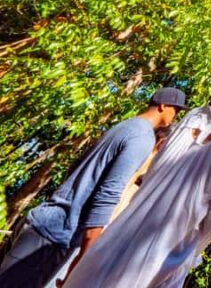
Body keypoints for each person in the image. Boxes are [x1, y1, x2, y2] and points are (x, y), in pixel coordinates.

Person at [62, 62, 211, 288]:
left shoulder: (194, 116)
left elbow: (155, 169)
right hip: (170, 242)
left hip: (130, 222)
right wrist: (194, 251)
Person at [0, 87, 187, 288]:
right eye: (175, 110)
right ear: (163, 106)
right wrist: (86, 253)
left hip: (45, 224)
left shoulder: (126, 126)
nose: (175, 116)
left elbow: (77, 168)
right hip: (54, 234)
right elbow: (108, 193)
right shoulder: (142, 138)